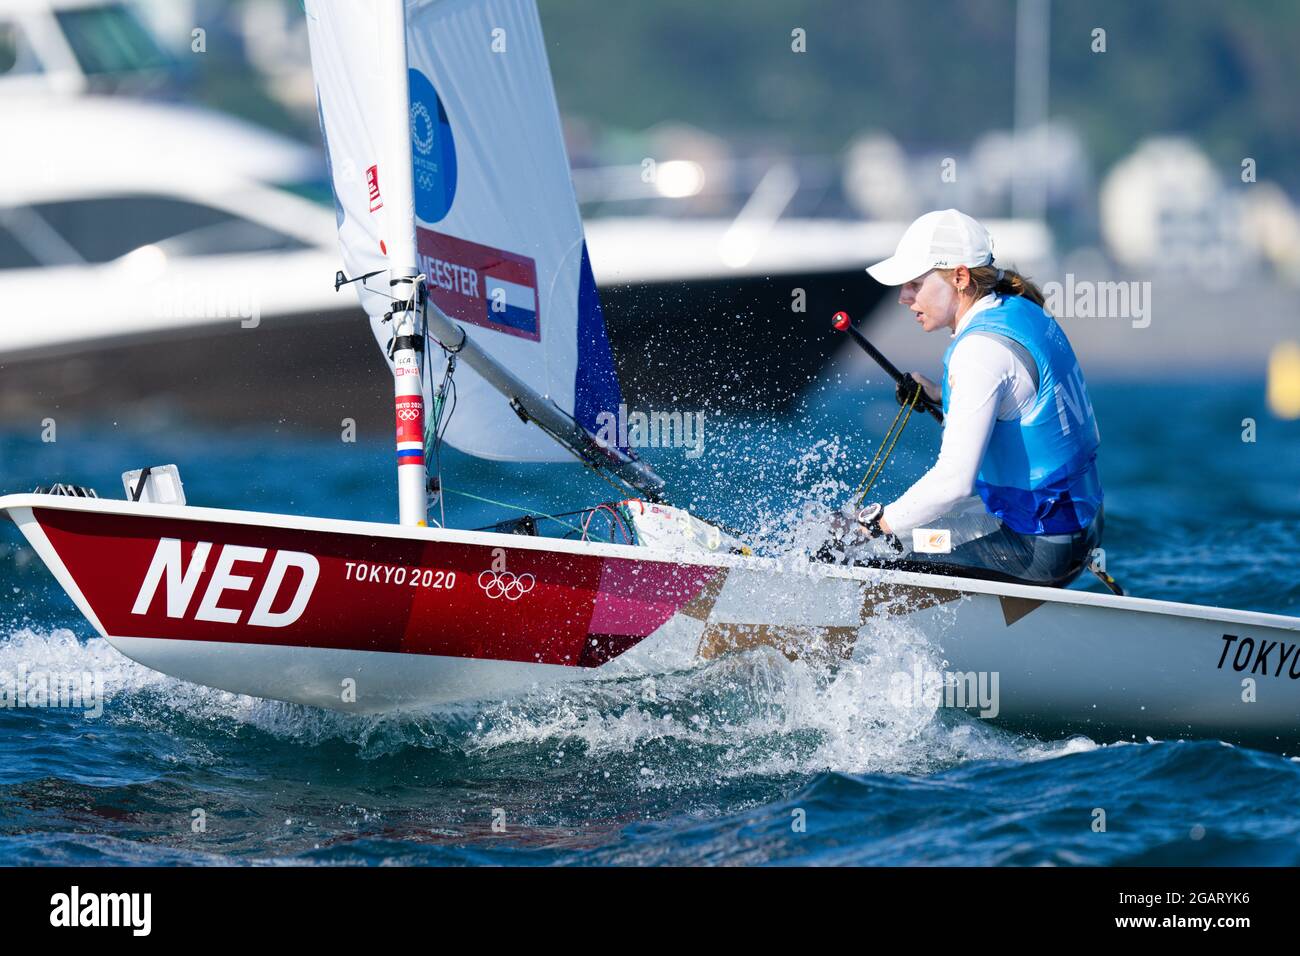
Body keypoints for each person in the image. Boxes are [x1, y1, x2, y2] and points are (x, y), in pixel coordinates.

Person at [844, 209, 1103, 586]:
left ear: (960, 277)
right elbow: (1016, 398)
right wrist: (936, 392)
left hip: (1038, 545)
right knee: (898, 530)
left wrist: (875, 527)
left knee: (863, 551)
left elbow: (953, 482)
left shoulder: (978, 352)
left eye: (915, 283)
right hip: (1080, 525)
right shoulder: (1020, 309)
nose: (903, 297)